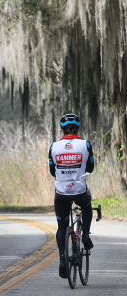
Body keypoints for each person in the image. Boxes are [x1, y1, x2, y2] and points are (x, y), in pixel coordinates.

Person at [48, 113, 95, 279]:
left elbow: (53, 171)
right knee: (87, 205)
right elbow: (90, 168)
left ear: (62, 130)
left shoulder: (53, 147)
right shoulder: (85, 145)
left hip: (61, 192)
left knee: (62, 227)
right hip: (80, 190)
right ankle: (86, 236)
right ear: (77, 128)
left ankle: (62, 260)